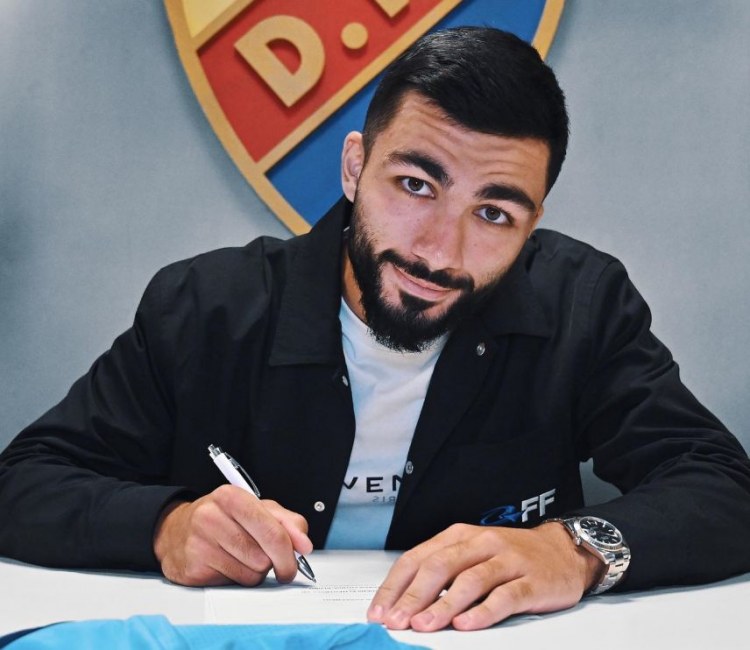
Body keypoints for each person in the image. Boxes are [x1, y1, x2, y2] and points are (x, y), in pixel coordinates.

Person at [1, 27, 749, 633]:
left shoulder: (583, 305)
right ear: (356, 167)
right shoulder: (206, 307)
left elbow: (724, 489)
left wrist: (577, 549)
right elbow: (23, 483)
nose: (440, 250)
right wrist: (165, 527)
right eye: (415, 185)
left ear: (533, 225)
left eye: (494, 213)